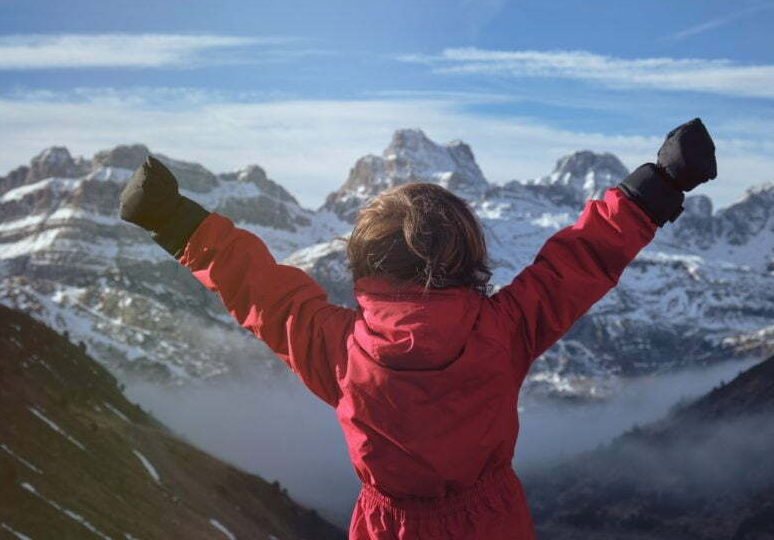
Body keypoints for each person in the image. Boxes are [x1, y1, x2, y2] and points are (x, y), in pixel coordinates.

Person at [119, 119, 717, 539]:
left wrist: (175, 222)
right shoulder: (502, 331)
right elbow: (579, 261)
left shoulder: (341, 351)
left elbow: (258, 291)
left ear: (364, 267)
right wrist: (659, 183)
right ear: (471, 259)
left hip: (388, 529)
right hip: (493, 525)